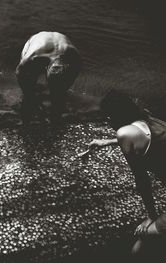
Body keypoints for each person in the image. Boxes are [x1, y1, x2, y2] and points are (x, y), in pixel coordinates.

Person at [90, 90, 166, 257]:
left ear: (110, 118)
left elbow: (142, 181)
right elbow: (143, 138)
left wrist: (151, 216)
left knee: (143, 237)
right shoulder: (149, 119)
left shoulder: (124, 133)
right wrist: (107, 142)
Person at [15, 31, 82, 123]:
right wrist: (28, 93)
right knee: (29, 89)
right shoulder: (33, 57)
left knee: (59, 94)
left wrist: (64, 88)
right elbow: (19, 72)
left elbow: (73, 75)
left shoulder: (75, 57)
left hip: (61, 40)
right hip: (35, 40)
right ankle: (26, 119)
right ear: (47, 67)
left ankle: (55, 120)